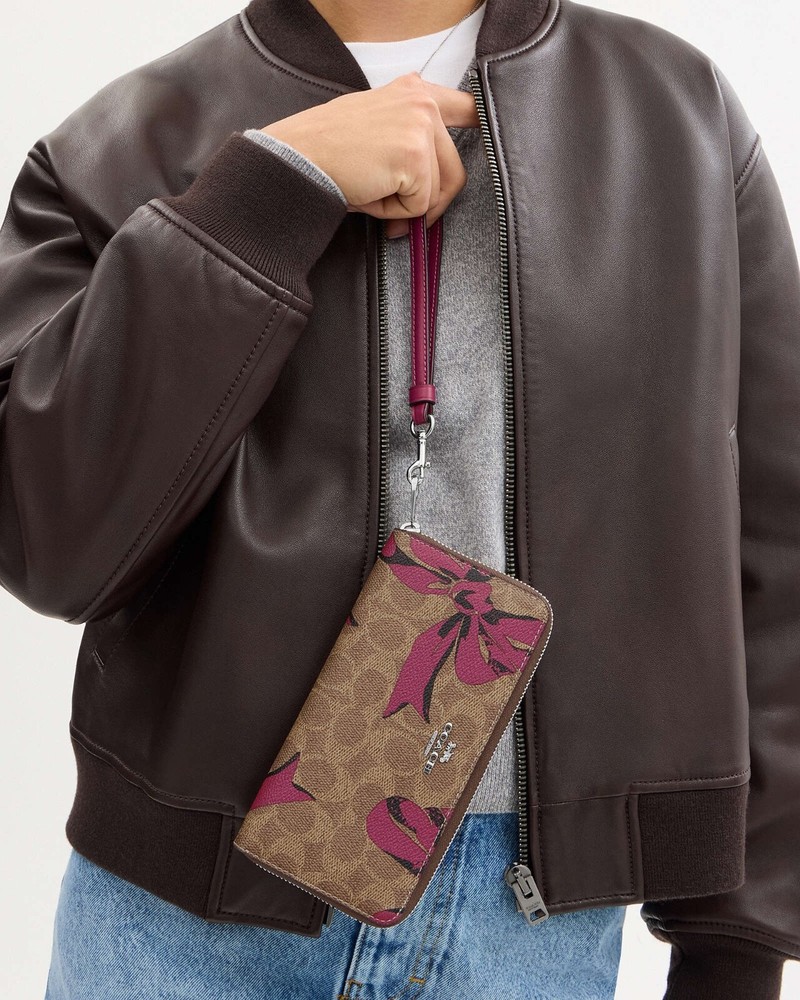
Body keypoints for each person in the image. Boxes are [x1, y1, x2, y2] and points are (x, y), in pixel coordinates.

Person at [0, 0, 797, 997]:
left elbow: (774, 543)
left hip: (528, 931)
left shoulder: (674, 112)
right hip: (180, 929)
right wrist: (270, 190)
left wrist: (738, 939)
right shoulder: (121, 143)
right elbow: (50, 538)